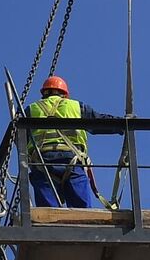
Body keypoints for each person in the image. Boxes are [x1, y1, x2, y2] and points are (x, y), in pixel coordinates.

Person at [23, 76, 106, 210]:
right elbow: (101, 122)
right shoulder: (76, 107)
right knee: (83, 213)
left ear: (44, 93)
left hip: (42, 163)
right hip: (71, 161)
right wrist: (124, 125)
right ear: (64, 94)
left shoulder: (30, 109)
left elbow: (19, 139)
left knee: (47, 213)